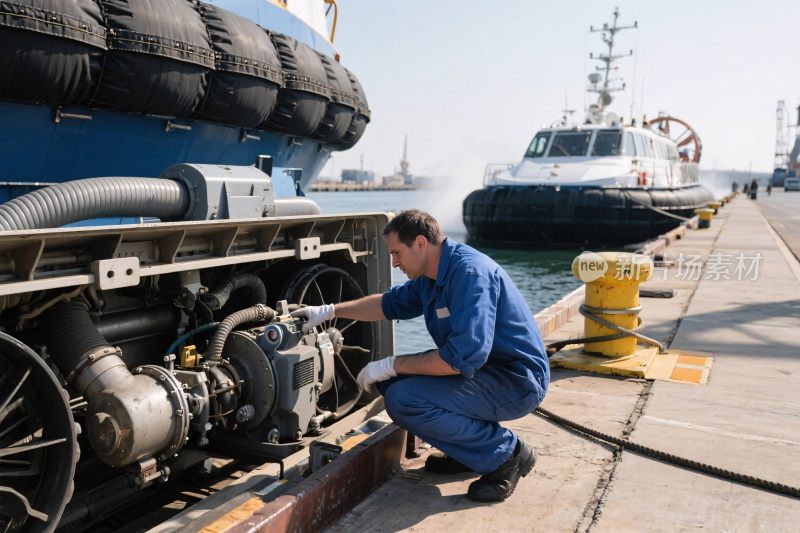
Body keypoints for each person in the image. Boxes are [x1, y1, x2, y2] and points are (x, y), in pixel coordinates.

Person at [292, 210, 549, 502]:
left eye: (397, 253)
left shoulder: (469, 275)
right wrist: (329, 311)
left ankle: (507, 455)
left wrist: (392, 363)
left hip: (515, 383)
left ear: (420, 243)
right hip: (485, 374)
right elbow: (385, 305)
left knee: (405, 400)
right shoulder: (431, 276)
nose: (394, 262)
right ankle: (470, 452)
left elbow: (460, 358)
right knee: (392, 384)